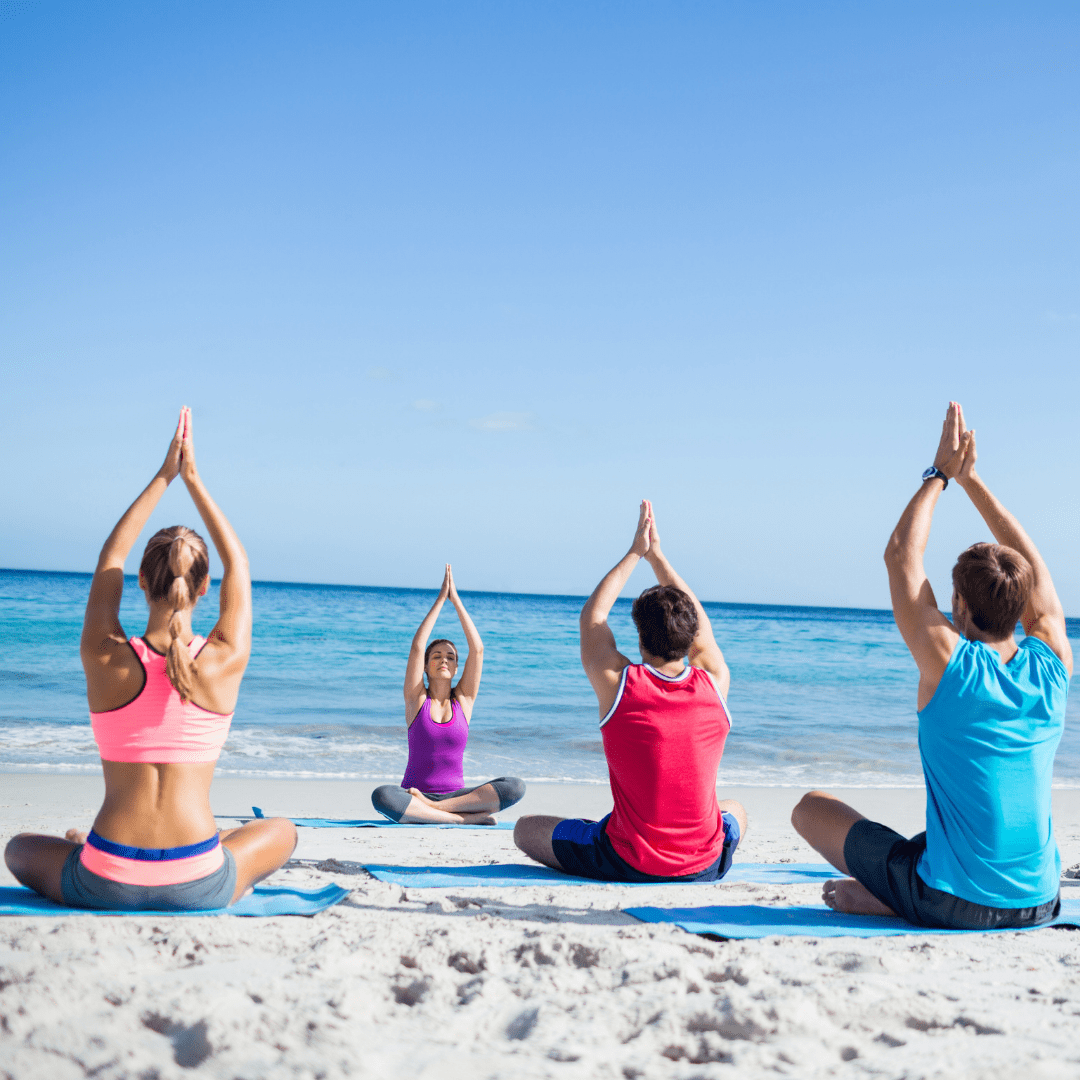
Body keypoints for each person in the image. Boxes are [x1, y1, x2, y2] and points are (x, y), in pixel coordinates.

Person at [792, 402, 1073, 929]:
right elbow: (1037, 576)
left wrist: (940, 475)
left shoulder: (951, 665)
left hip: (954, 903)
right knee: (939, 838)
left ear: (960, 608)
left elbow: (901, 556)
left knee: (810, 808)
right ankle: (893, 888)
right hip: (1041, 901)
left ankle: (894, 894)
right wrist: (974, 482)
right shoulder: (1054, 662)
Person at [4, 408, 296, 910]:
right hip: (197, 879)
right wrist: (194, 480)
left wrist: (163, 476)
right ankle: (208, 848)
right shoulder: (224, 660)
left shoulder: (105, 656)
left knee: (18, 849)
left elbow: (109, 559)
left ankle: (84, 845)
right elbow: (239, 563)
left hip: (104, 877)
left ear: (140, 581)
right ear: (206, 587)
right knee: (282, 830)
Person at [514, 501, 747, 881]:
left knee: (525, 828)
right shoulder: (714, 681)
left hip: (628, 861)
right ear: (691, 636)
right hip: (705, 865)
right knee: (735, 809)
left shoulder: (621, 685)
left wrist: (636, 552)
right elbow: (703, 633)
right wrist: (659, 558)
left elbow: (593, 617)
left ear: (640, 641)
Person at [370, 565, 525, 824]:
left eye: (450, 657)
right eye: (437, 656)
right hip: (413, 794)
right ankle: (460, 820)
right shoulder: (416, 699)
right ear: (426, 666)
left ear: (456, 668)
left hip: (455, 797)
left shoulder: (464, 701)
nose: (444, 660)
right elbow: (417, 647)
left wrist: (457, 601)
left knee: (515, 786)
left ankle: (434, 812)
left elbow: (477, 650)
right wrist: (441, 599)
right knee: (382, 795)